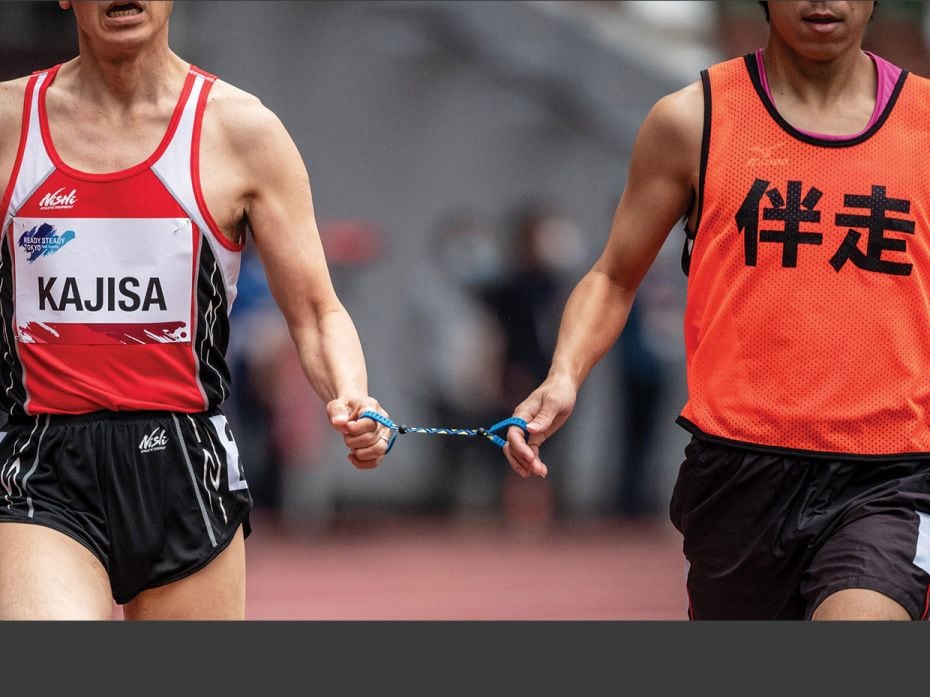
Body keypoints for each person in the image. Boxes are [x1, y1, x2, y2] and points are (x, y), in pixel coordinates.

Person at [504, 0, 930, 620]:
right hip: (740, 472)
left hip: (893, 470)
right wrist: (564, 374)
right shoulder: (692, 120)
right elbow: (614, 276)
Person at [0, 0, 393, 620]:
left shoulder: (242, 131)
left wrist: (353, 395)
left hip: (185, 465)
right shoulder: (9, 121)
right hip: (43, 462)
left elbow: (317, 311)